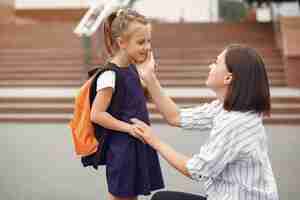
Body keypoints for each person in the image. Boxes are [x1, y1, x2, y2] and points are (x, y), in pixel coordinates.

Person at [131, 44, 279, 200]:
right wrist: (149, 77)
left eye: (216, 62)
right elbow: (176, 116)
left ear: (228, 78)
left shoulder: (236, 122)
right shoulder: (225, 107)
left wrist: (154, 141)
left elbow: (196, 170)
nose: (211, 66)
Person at [90, 8, 164, 200]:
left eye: (149, 41)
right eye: (141, 42)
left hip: (137, 143)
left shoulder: (132, 67)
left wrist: (149, 76)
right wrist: (129, 129)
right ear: (122, 43)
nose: (147, 47)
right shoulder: (109, 75)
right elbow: (96, 114)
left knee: (132, 196)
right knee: (121, 196)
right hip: (123, 149)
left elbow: (136, 100)